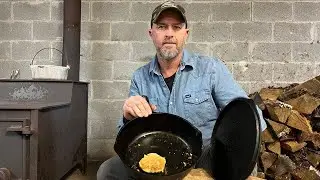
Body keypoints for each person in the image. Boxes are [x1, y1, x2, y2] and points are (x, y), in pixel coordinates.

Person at [97, 1, 267, 179]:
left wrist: (240, 159)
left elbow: (246, 115)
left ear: (185, 34)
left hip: (206, 156)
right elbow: (127, 135)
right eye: (162, 27)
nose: (169, 34)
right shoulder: (140, 77)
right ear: (151, 33)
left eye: (176, 27)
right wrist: (127, 116)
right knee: (108, 171)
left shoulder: (210, 69)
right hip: (159, 153)